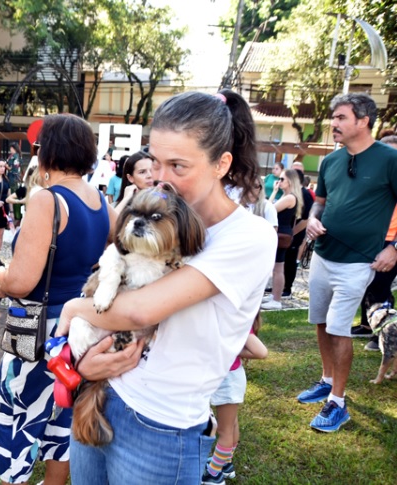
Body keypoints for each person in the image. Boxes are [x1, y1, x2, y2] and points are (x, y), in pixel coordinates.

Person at [56, 90, 276, 483]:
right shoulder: (152, 219)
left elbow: (141, 310)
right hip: (103, 393)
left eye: (178, 165)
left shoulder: (248, 237)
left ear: (221, 164)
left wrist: (72, 309)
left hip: (161, 426)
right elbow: (114, 282)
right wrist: (86, 364)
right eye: (156, 161)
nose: (162, 178)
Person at [0, 113, 115, 485]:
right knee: (62, 417)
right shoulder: (100, 201)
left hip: (39, 332)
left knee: (16, 415)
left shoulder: (48, 200)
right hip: (79, 330)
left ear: (47, 151)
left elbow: (21, 280)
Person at [300, 93, 397, 432]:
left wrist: (394, 247)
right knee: (321, 322)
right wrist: (313, 218)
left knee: (338, 328)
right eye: (334, 117)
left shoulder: (390, 159)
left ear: (363, 121)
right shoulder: (330, 161)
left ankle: (337, 403)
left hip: (359, 262)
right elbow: (320, 201)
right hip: (323, 255)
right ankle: (327, 380)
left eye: (341, 117)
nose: (334, 123)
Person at [201, 317, 268, 484]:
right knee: (231, 425)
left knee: (225, 431)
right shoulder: (231, 317)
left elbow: (261, 352)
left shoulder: (237, 320)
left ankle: (214, 475)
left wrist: (228, 349)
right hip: (226, 378)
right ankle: (225, 463)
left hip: (227, 381)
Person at [354, 134, 397, 350]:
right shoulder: (375, 179)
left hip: (391, 242)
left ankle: (383, 334)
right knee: (367, 284)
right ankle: (367, 325)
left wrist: (394, 246)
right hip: (370, 240)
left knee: (380, 286)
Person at [261, 168, 302, 310]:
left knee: (278, 267)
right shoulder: (286, 196)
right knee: (276, 267)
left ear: (290, 181)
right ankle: (274, 295)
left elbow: (269, 209)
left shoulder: (290, 198)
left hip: (282, 234)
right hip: (281, 233)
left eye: (282, 179)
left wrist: (273, 193)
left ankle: (276, 299)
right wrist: (274, 191)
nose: (279, 181)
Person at [282, 162, 314, 299]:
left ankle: (287, 288)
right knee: (284, 260)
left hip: (295, 233)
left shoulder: (304, 194)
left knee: (290, 260)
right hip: (290, 232)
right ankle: (282, 285)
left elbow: (306, 218)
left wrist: (292, 233)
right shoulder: (292, 193)